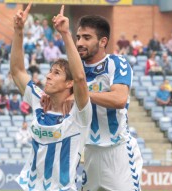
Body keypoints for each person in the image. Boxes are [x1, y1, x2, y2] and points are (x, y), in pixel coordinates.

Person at [42, 14, 143, 190]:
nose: (80, 42)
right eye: (78, 37)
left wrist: (82, 94)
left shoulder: (116, 63)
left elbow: (119, 99)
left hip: (117, 152)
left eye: (87, 37)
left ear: (103, 41)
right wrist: (50, 96)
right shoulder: (74, 70)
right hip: (89, 153)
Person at [11, 4, 92, 190]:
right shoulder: (39, 100)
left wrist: (65, 33)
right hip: (29, 186)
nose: (48, 76)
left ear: (69, 83)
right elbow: (17, 71)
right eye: (50, 72)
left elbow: (80, 78)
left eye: (56, 73)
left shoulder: (79, 113)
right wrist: (18, 30)